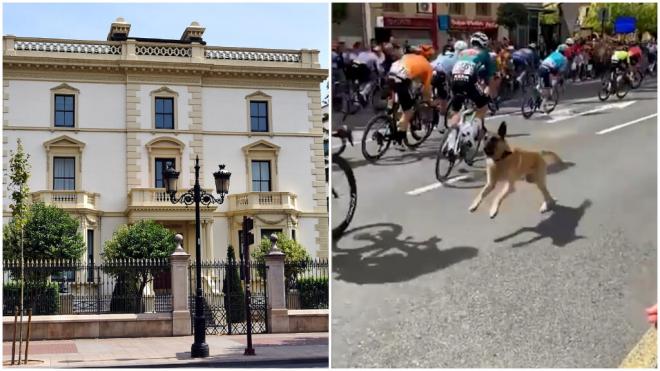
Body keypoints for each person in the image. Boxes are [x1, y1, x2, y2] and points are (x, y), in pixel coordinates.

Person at [386, 44, 435, 145]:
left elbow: (411, 74)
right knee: (408, 111)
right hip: (402, 80)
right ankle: (400, 137)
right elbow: (426, 89)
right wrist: (429, 101)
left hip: (391, 76)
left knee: (394, 102)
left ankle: (389, 117)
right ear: (429, 57)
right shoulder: (428, 66)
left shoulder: (408, 56)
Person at [450, 32, 496, 127]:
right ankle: (475, 129)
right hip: (469, 80)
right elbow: (490, 76)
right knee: (483, 105)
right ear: (484, 44)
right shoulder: (485, 54)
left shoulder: (462, 52)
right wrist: (490, 92)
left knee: (456, 110)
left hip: (454, 78)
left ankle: (452, 135)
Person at [431, 40, 468, 116]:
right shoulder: (459, 57)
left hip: (429, 70)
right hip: (439, 75)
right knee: (443, 99)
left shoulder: (442, 54)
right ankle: (441, 123)